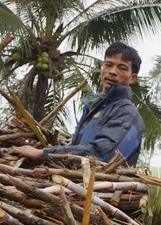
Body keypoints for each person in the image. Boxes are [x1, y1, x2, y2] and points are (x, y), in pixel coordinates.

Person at [12, 42, 144, 166]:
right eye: (108, 65)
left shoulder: (127, 113)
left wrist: (42, 154)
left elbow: (101, 155)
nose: (113, 71)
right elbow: (79, 149)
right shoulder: (95, 106)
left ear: (133, 78)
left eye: (122, 68)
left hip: (99, 186)